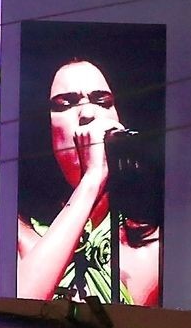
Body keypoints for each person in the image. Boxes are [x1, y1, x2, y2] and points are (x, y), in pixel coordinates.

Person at [16, 59, 160, 304]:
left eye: (102, 102)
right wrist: (91, 180)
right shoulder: (16, 232)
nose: (88, 114)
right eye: (65, 104)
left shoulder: (153, 244)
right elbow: (19, 305)